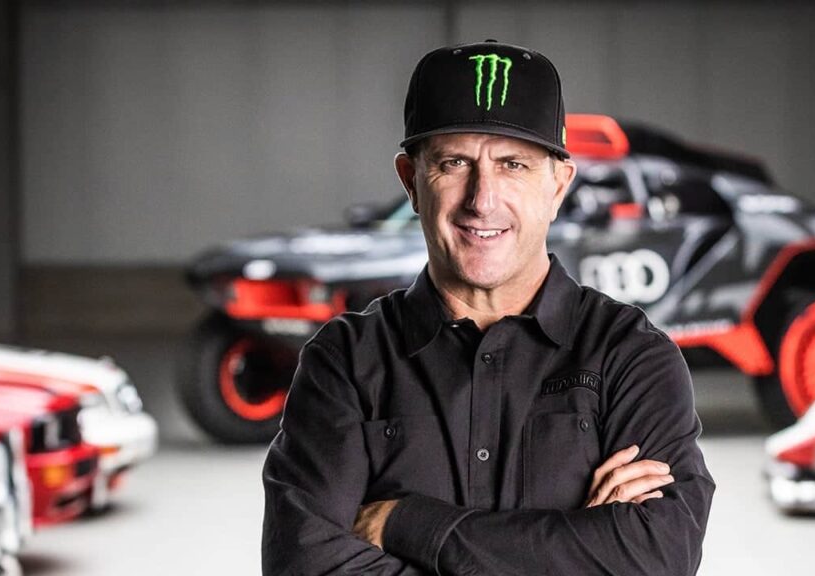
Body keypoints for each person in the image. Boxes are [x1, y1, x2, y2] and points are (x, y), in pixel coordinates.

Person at [262, 40, 715, 575]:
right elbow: (305, 563)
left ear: (558, 185)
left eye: (513, 165)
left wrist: (407, 523)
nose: (482, 199)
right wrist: (585, 547)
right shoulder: (345, 361)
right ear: (411, 181)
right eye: (454, 163)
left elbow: (659, 557)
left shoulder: (632, 358)